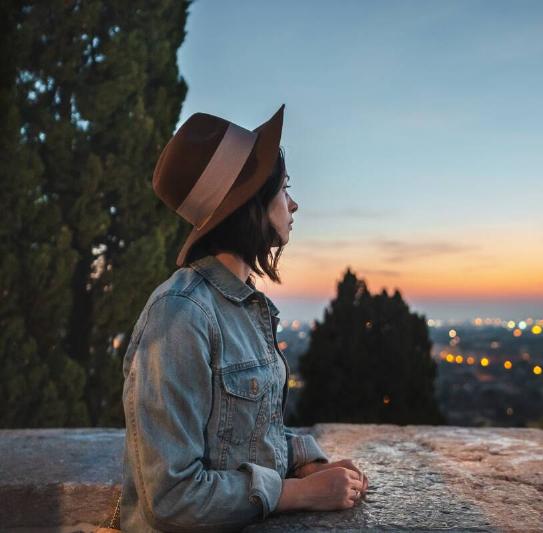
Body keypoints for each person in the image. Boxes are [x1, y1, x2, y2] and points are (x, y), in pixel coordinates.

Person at [119, 104, 368, 532]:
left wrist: (305, 461)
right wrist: (298, 493)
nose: (294, 203)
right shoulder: (180, 314)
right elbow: (171, 498)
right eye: (284, 188)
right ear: (251, 201)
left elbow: (243, 437)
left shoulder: (243, 307)